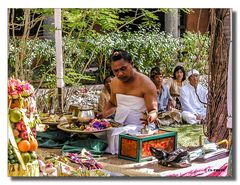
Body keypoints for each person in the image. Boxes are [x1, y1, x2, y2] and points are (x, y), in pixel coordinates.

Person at [102, 50, 158, 154]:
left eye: (123, 69)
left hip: (139, 128)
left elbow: (153, 110)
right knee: (97, 131)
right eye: (116, 71)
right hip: (118, 124)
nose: (120, 73)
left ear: (131, 64)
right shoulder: (114, 82)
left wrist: (150, 117)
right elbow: (113, 103)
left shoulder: (146, 83)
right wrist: (103, 114)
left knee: (119, 134)